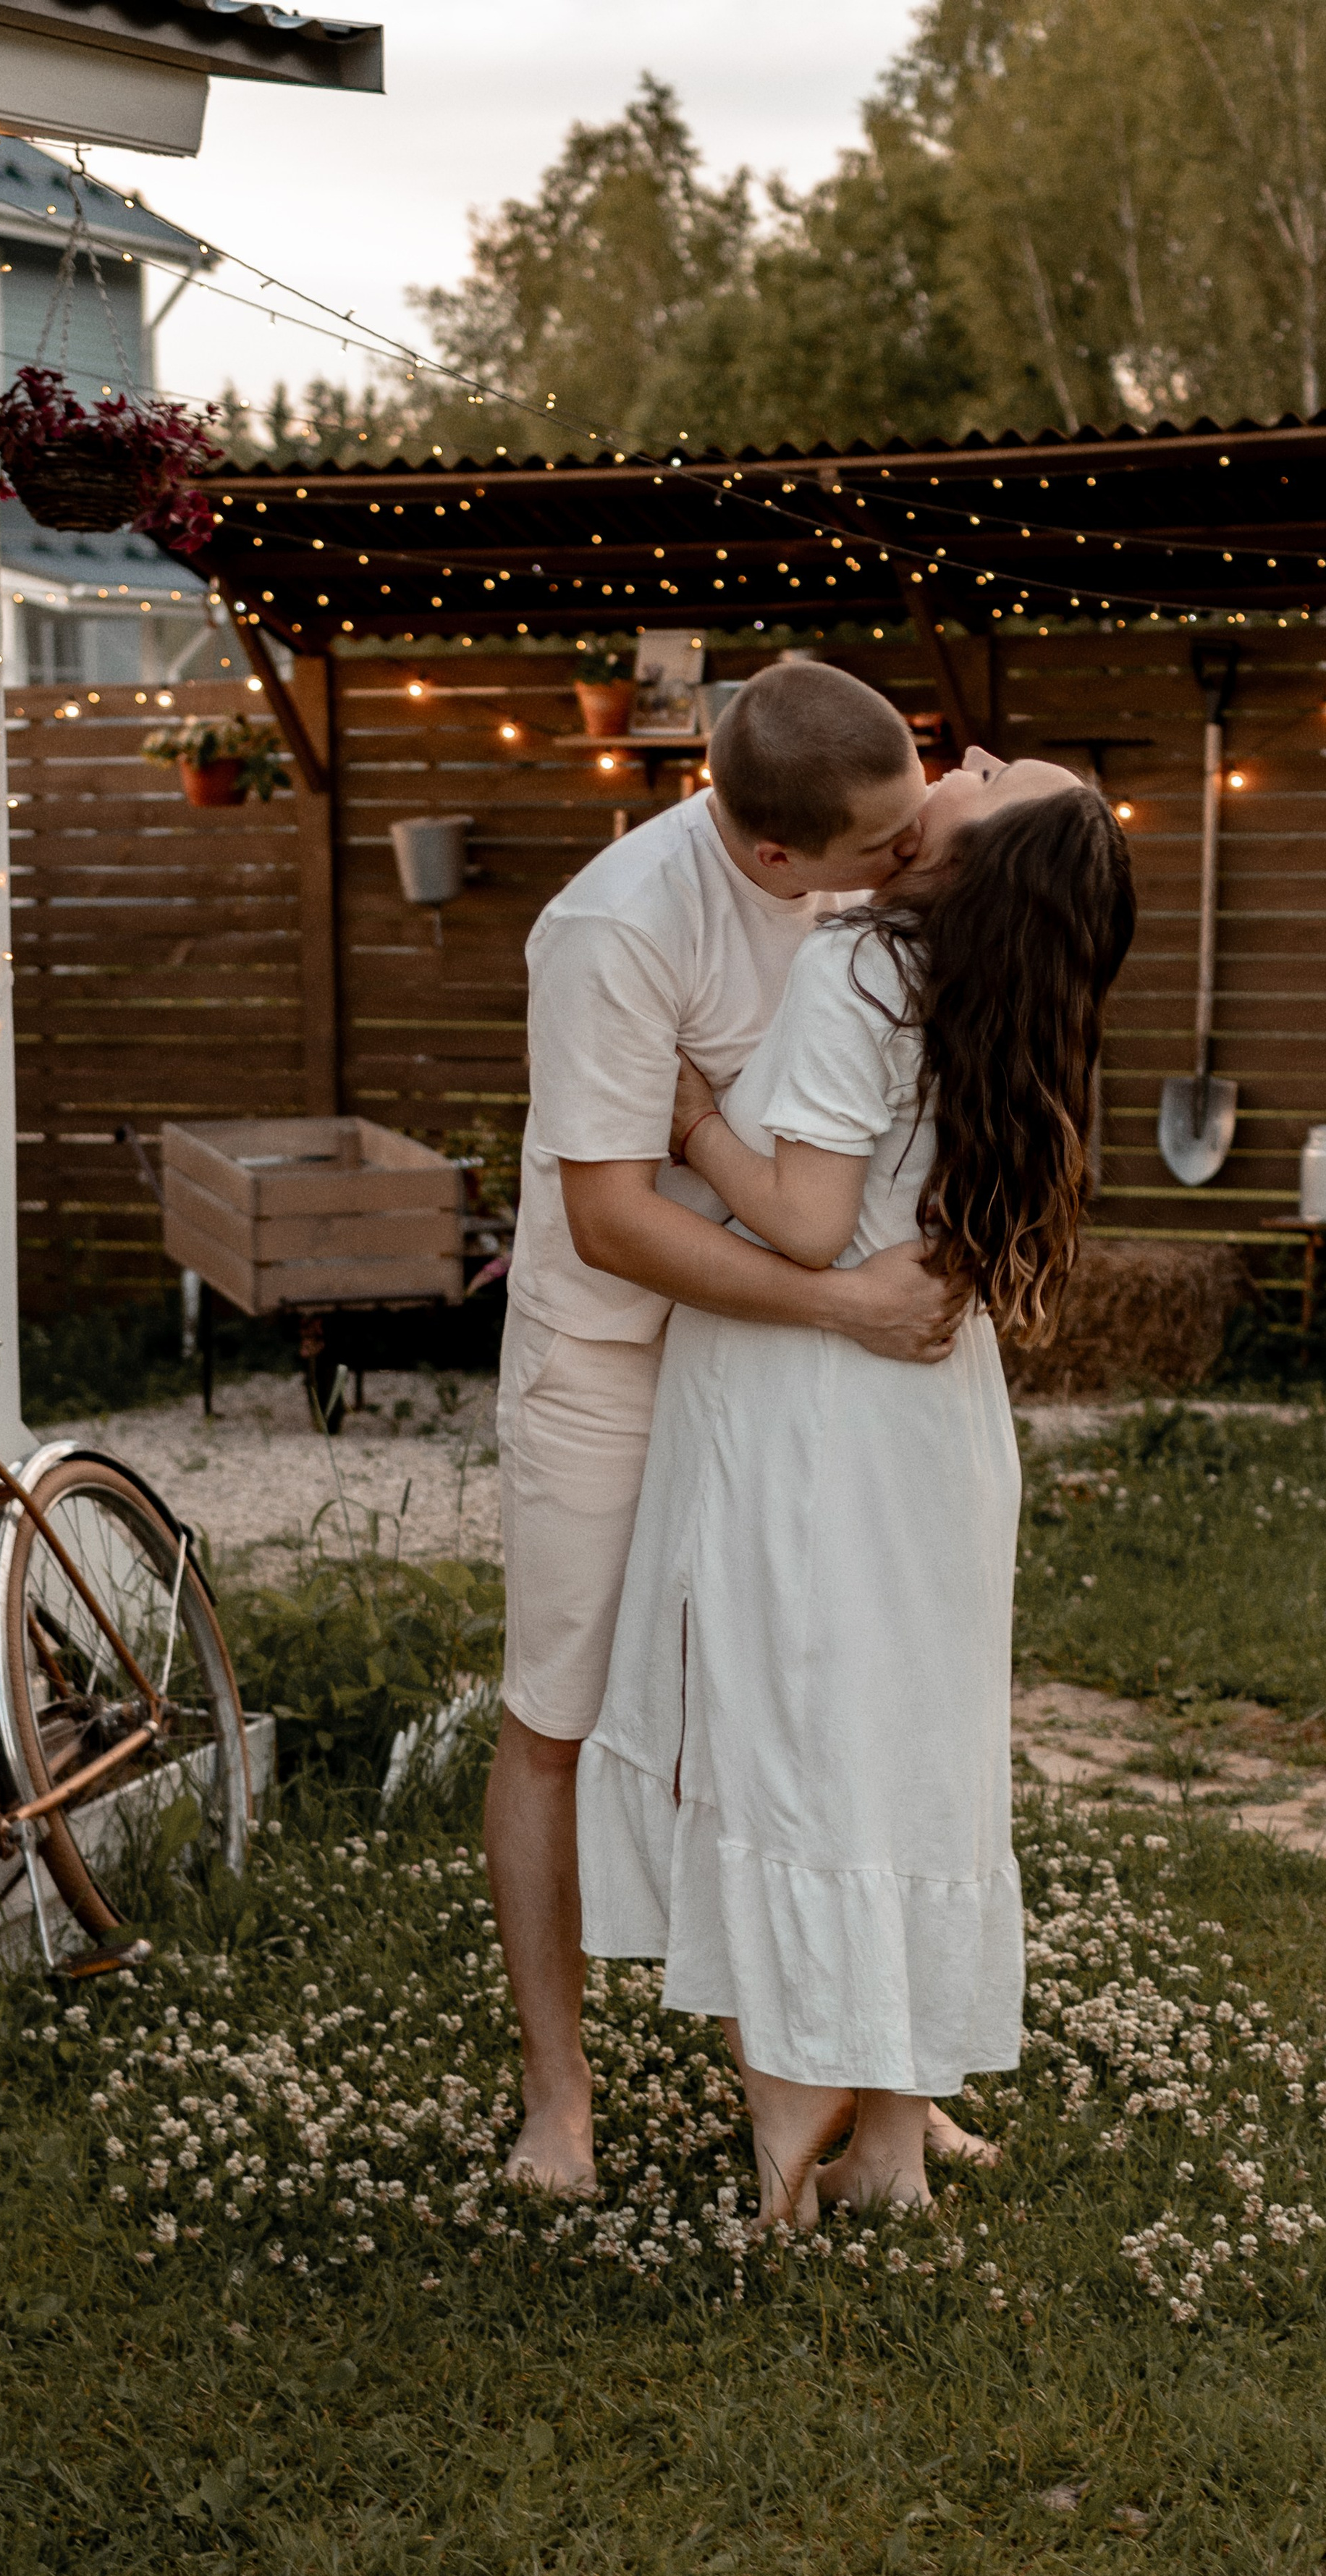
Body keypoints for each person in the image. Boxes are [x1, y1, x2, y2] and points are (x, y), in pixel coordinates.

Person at [576, 773, 1136, 2226]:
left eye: (994, 778)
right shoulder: (1002, 1004)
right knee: (900, 1752)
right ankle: (889, 2146)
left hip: (806, 1411)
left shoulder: (866, 966)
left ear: (971, 862)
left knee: (788, 1737)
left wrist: (696, 1125)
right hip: (932, 1424)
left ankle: (792, 2117)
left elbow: (811, 1224)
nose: (969, 759)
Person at [487, 661, 974, 2195]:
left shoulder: (876, 874)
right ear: (773, 852)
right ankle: (558, 2098)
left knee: (807, 1706)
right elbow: (613, 1218)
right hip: (613, 1356)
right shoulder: (618, 928)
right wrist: (844, 1305)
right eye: (880, 845)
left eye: (913, 820)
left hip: (772, 1372)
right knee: (561, 1715)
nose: (908, 857)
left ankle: (867, 2077)